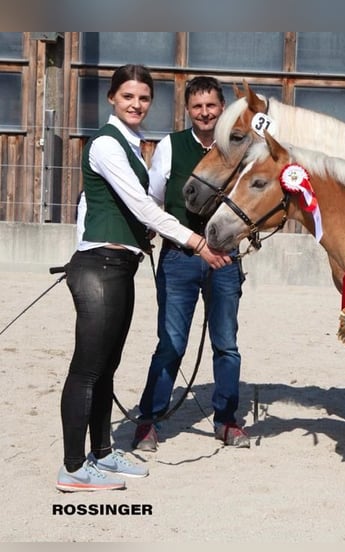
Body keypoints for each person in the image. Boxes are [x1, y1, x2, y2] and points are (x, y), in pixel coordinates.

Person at [57, 65, 232, 492]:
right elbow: (143, 207)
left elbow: (133, 212)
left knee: (106, 367)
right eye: (128, 97)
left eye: (144, 98)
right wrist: (196, 242)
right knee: (87, 369)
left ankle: (102, 452)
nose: (136, 105)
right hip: (98, 265)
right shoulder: (106, 144)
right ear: (113, 99)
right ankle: (73, 467)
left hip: (120, 267)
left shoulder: (132, 145)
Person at [132, 76, 250, 452]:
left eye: (211, 106)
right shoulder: (170, 146)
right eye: (197, 107)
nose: (204, 113)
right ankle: (148, 420)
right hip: (180, 259)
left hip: (225, 259)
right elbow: (152, 199)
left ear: (222, 109)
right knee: (171, 343)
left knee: (226, 344)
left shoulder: (239, 148)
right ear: (188, 110)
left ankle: (227, 420)